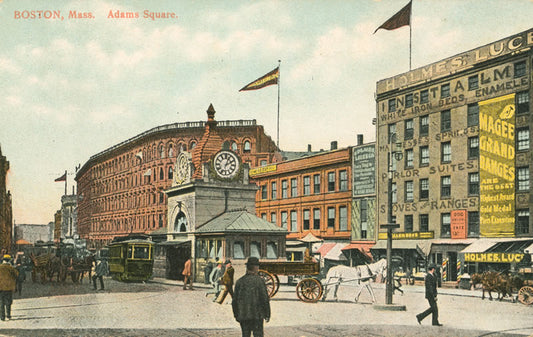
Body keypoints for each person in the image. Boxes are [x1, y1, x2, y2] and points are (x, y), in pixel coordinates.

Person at [232, 257, 270, 337]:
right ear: (256, 268)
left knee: (245, 335)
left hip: (244, 315)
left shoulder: (239, 281)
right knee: (258, 335)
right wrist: (267, 314)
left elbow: (234, 301)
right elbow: (265, 299)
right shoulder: (260, 281)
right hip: (257, 316)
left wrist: (236, 315)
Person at [0, 255, 18, 321]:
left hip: (0, 287)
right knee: (8, 302)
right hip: (9, 287)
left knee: (1, 302)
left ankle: (2, 317)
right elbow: (17, 275)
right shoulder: (11, 268)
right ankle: (8, 315)